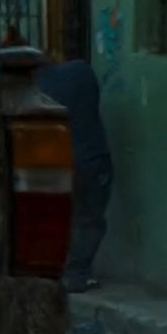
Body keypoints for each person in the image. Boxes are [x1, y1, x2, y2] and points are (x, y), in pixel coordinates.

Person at [36, 56, 111, 293]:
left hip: (56, 162)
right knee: (89, 218)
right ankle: (77, 274)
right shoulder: (82, 71)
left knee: (62, 216)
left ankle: (59, 270)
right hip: (91, 159)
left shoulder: (36, 87)